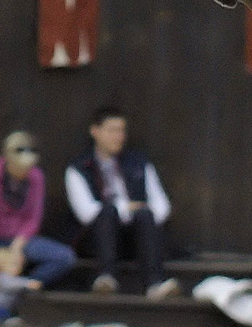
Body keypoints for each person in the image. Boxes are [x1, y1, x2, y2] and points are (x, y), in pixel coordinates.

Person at [0, 132, 77, 321]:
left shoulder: (36, 177)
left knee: (65, 257)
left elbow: (34, 218)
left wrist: (17, 247)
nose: (24, 172)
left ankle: (21, 289)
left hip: (19, 240)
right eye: (19, 167)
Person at [64, 108, 179, 298]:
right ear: (95, 131)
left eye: (121, 131)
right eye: (111, 131)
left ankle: (155, 284)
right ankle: (106, 278)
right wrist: (125, 208)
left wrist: (142, 214)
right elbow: (85, 212)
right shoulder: (79, 168)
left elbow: (161, 205)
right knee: (107, 212)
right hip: (97, 240)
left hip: (136, 237)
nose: (118, 137)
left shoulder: (139, 162)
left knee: (144, 214)